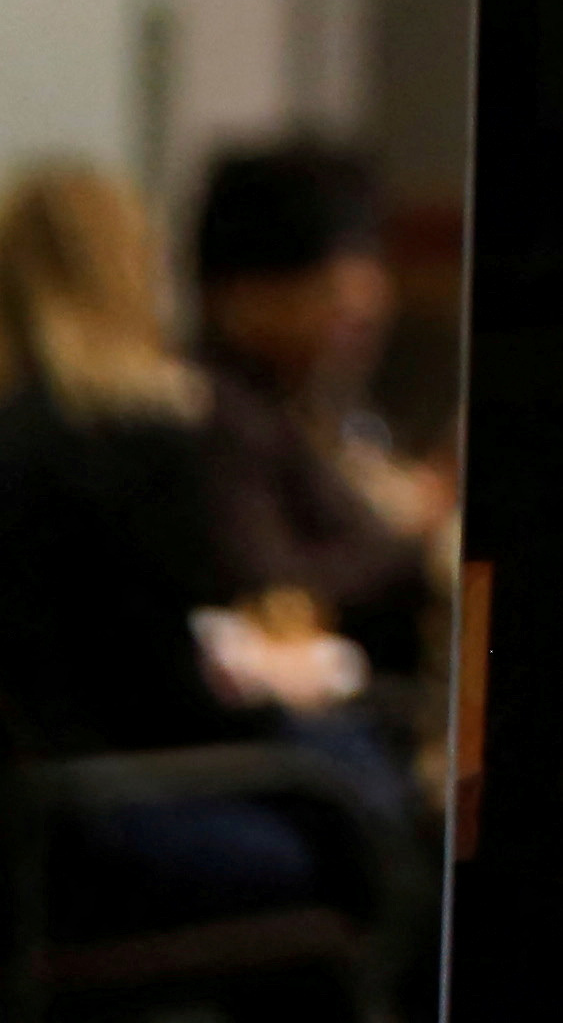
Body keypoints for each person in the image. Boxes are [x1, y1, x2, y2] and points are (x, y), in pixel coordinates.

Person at [0, 158, 397, 956]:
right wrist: (272, 704)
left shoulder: (21, 436)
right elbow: (168, 697)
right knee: (366, 814)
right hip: (116, 816)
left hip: (40, 821)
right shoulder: (136, 438)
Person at [186, 142, 446, 695]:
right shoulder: (216, 414)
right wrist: (415, 537)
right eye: (330, 282)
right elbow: (273, 586)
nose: (367, 302)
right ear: (243, 290)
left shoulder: (308, 405)